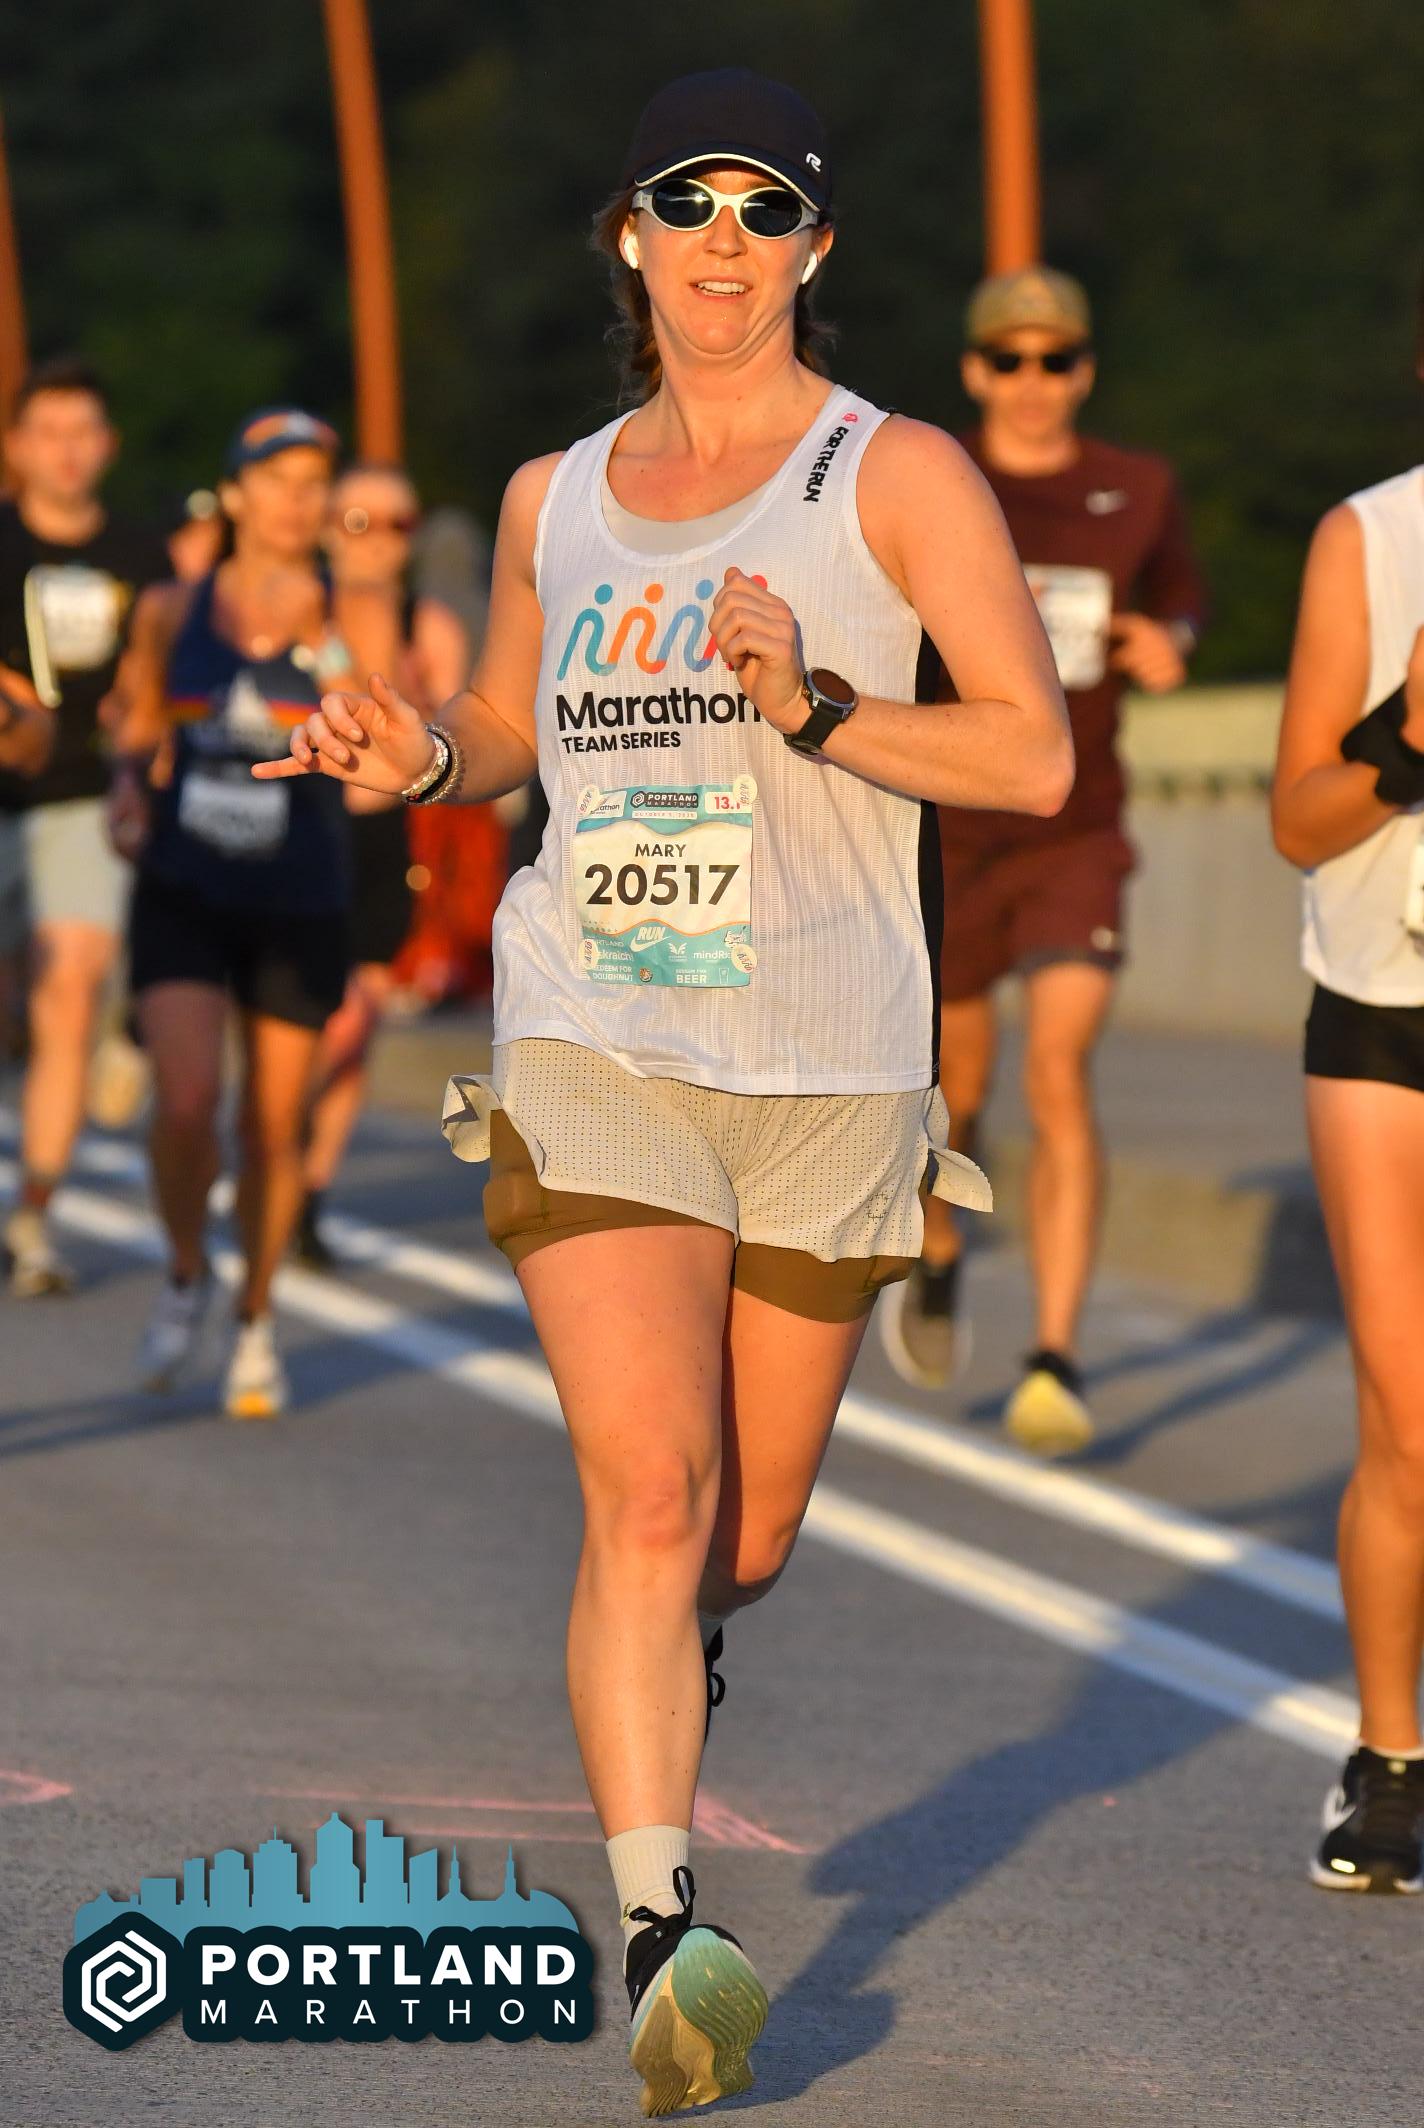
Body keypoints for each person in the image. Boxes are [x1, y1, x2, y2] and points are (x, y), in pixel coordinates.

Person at [255, 70, 1071, 2113]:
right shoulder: (557, 495)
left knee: (745, 1527)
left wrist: (816, 702)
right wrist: (416, 757)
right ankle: (659, 1933)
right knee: (645, 1487)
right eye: (686, 203)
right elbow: (504, 723)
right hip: (599, 1025)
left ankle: (680, 1647)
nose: (722, 240)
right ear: (629, 237)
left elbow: (1029, 755)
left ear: (813, 246)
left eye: (761, 208)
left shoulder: (896, 475)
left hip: (828, 1053)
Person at [883, 268, 1206, 1455]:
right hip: (953, 827)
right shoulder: (928, 479)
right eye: (1009, 359)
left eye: (1055, 359)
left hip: (1076, 826)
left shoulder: (1137, 489)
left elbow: (1178, 604)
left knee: (1059, 1069)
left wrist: (1167, 641)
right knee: (957, 1084)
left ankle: (1053, 1357)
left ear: (1083, 371)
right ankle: (937, 1245)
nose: (1032, 382)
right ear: (974, 371)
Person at [108, 408, 398, 1417]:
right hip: (185, 882)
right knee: (186, 1101)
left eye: (314, 482)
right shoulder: (170, 606)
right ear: (234, 493)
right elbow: (139, 718)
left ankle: (257, 1315)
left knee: (272, 1123)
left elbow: (383, 730)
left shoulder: (353, 605)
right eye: (276, 479)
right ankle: (186, 1270)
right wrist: (125, 786)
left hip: (298, 888)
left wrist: (328, 648)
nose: (296, 499)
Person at [1271, 292, 1424, 1894]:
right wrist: (1407, 737)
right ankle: (1391, 1757)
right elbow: (1298, 820)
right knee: (1412, 1415)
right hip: (1388, 1009)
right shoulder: (1371, 540)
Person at [0, 357, 170, 1294]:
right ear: (17, 447)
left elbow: (156, 687)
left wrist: (136, 745)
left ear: (106, 446)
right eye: (48, 433)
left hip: (83, 798)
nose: (65, 451)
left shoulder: (140, 555)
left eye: (82, 433)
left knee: (67, 987)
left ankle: (32, 1218)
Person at [294, 461, 469, 1267]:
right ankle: (272, 1140)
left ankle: (307, 1190)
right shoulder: (296, 601)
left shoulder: (425, 620)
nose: (376, 541)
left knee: (355, 1023)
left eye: (398, 524)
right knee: (307, 1020)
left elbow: (461, 736)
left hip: (382, 839)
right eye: (359, 521)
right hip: (295, 832)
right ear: (329, 529)